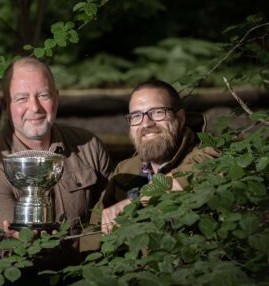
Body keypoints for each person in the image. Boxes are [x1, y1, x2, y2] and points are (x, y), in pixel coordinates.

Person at [0, 57, 113, 268]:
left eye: (43, 95)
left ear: (56, 98)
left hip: (92, 272)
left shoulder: (88, 145)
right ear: (5, 105)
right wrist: (23, 240)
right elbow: (7, 243)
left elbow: (114, 212)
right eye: (21, 98)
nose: (35, 107)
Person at [80, 79, 220, 250]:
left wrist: (134, 201)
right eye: (136, 116)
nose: (146, 123)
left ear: (181, 118)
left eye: (158, 112)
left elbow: (195, 174)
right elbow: (91, 238)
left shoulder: (208, 153)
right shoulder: (124, 170)